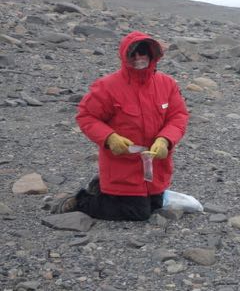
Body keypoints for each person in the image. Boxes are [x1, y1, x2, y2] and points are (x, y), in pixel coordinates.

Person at [52, 31, 189, 220]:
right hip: (122, 166)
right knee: (138, 213)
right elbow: (87, 116)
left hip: (155, 167)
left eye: (143, 52)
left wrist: (166, 140)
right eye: (133, 53)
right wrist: (109, 138)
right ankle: (81, 201)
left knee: (155, 204)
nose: (139, 57)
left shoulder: (167, 84)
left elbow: (178, 116)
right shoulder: (108, 86)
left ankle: (100, 188)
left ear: (152, 54)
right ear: (125, 57)